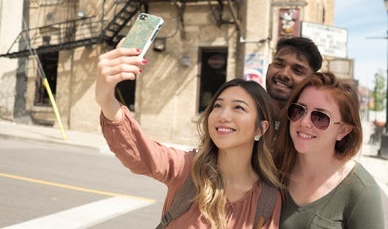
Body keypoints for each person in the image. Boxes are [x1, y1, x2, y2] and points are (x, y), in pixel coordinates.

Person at [95, 45, 282, 228]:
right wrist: (106, 100)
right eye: (217, 106)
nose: (222, 116)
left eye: (238, 107)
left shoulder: (268, 199)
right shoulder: (187, 168)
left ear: (261, 128)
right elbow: (140, 152)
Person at [273, 72, 384, 228]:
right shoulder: (274, 168)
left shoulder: (361, 190)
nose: (304, 122)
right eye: (299, 110)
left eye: (320, 117)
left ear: (343, 131)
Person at [265, 37, 323, 129]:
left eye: (297, 70)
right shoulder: (247, 115)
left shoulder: (312, 128)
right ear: (269, 67)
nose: (284, 74)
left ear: (312, 80)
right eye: (279, 64)